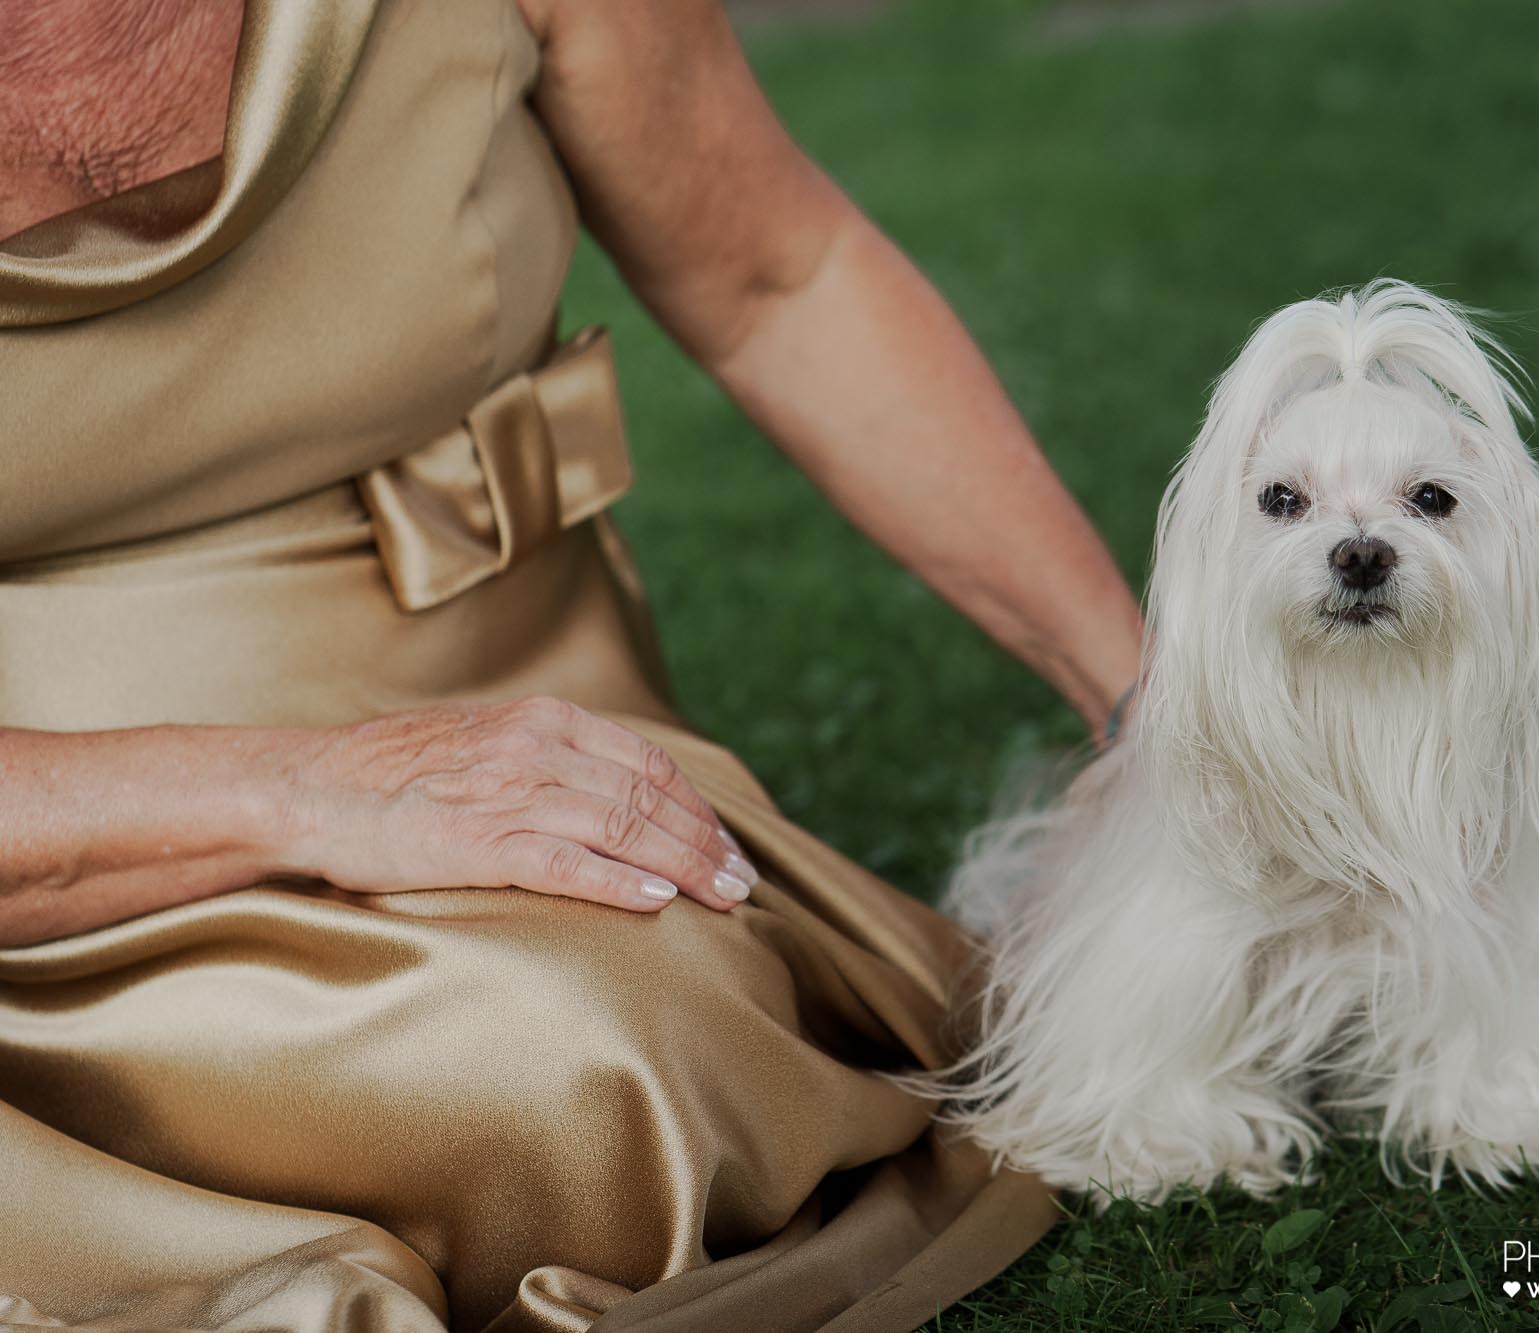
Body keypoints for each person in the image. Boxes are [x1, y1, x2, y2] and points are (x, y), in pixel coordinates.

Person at [0, 0, 1143, 1328]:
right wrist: (307, 792)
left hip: (530, 718)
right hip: (63, 846)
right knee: (563, 1070)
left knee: (642, 1053)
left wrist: (1155, 704)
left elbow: (777, 272)